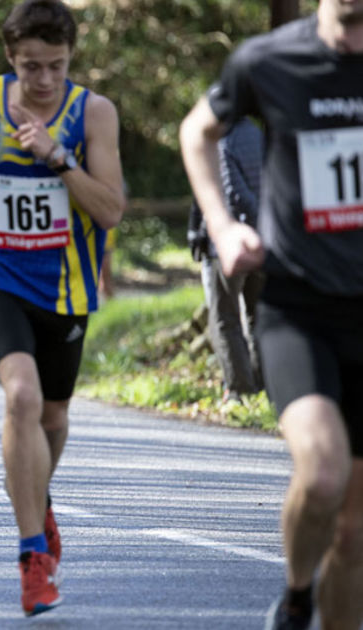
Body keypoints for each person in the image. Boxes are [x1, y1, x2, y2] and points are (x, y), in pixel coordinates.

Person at [0, 0, 125, 616]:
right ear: (11, 58)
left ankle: (37, 499)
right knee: (20, 396)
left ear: (72, 58)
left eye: (57, 66)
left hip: (67, 285)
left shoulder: (92, 113)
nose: (44, 80)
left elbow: (111, 210)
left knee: (54, 416)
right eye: (32, 67)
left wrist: (56, 156)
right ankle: (33, 554)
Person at [179, 1, 363, 627]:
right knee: (322, 474)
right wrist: (224, 227)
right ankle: (294, 595)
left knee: (354, 536)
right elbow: (196, 132)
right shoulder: (268, 60)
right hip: (299, 308)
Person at [187, 118, 265, 400]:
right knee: (257, 315)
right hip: (262, 241)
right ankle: (263, 386)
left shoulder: (219, 140)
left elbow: (229, 190)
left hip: (228, 244)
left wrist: (217, 229)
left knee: (224, 318)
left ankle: (239, 389)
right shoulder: (258, 132)